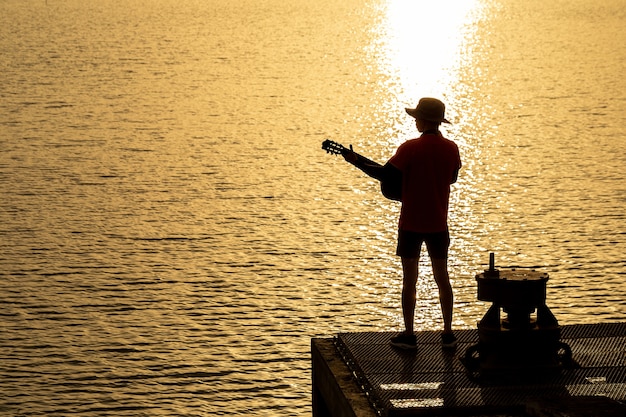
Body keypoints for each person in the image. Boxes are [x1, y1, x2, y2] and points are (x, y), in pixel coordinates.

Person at [342, 97, 461, 350]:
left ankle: (409, 335)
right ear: (438, 122)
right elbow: (452, 178)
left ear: (423, 121)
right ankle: (448, 334)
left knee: (410, 281)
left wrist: (357, 161)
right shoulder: (452, 148)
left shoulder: (409, 148)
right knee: (443, 279)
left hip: (411, 225)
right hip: (439, 223)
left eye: (417, 117)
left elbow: (384, 174)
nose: (415, 121)